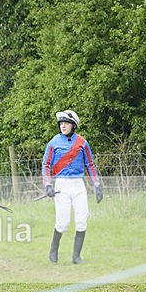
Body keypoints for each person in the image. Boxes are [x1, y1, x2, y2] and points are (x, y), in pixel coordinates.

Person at [41, 109, 102, 264]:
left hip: (78, 184)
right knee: (63, 222)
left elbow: (90, 164)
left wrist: (97, 185)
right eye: (61, 123)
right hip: (61, 184)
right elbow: (46, 165)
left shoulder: (82, 142)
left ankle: (76, 256)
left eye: (66, 123)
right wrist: (48, 184)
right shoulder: (53, 142)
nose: (63, 126)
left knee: (82, 219)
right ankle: (54, 248)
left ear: (74, 125)